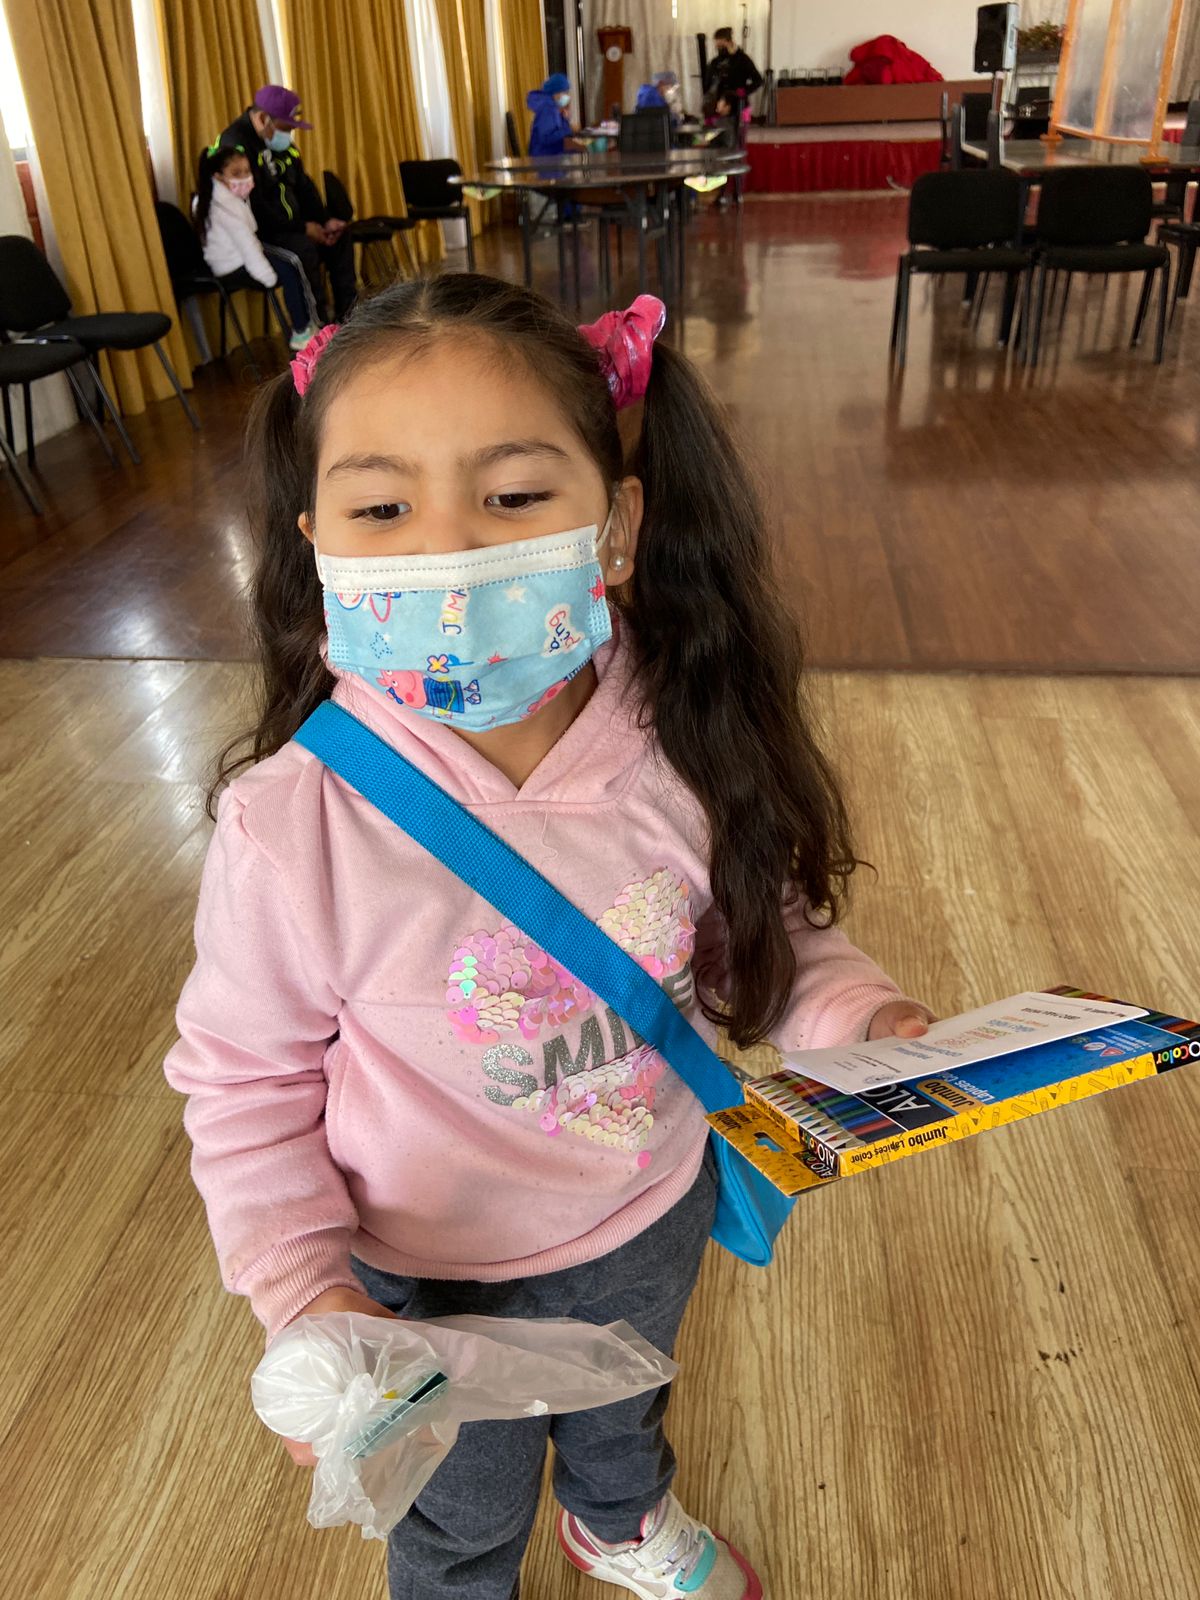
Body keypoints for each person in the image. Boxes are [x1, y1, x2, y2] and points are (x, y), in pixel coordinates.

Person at [164, 275, 931, 1600]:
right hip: (424, 1283)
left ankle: (617, 1521)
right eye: (383, 509)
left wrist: (861, 1018)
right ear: (316, 544)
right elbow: (244, 1084)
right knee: (457, 1518)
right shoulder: (292, 825)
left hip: (647, 1203)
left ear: (615, 527)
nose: (447, 553)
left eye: (513, 495)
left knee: (627, 1406)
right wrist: (307, 1292)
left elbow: (764, 929)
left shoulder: (686, 738)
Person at [219, 85, 356, 322]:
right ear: (263, 119)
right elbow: (255, 207)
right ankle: (318, 330)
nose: (289, 135)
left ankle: (350, 317)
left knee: (340, 236)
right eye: (286, 128)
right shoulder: (235, 147)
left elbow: (303, 185)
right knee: (302, 251)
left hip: (294, 226)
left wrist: (323, 221)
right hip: (263, 233)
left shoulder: (282, 145)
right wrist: (303, 229)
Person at [192, 143, 320, 351]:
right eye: (236, 173)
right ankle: (301, 331)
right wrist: (267, 276)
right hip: (232, 263)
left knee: (292, 260)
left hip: (236, 256)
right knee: (289, 268)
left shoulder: (223, 197)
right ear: (218, 176)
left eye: (246, 171)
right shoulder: (221, 204)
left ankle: (306, 323)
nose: (244, 177)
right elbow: (246, 243)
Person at [703, 27, 763, 115]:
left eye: (722, 46)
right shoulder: (715, 62)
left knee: (739, 122)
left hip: (739, 105)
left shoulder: (743, 59)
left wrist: (743, 91)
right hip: (719, 107)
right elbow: (708, 85)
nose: (719, 48)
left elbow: (758, 80)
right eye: (717, 46)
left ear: (730, 42)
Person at [527, 71, 575, 156]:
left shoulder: (553, 108)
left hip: (551, 153)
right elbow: (546, 138)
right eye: (565, 92)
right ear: (555, 93)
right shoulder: (547, 109)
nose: (567, 96)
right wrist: (569, 129)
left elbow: (555, 130)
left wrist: (564, 119)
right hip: (544, 157)